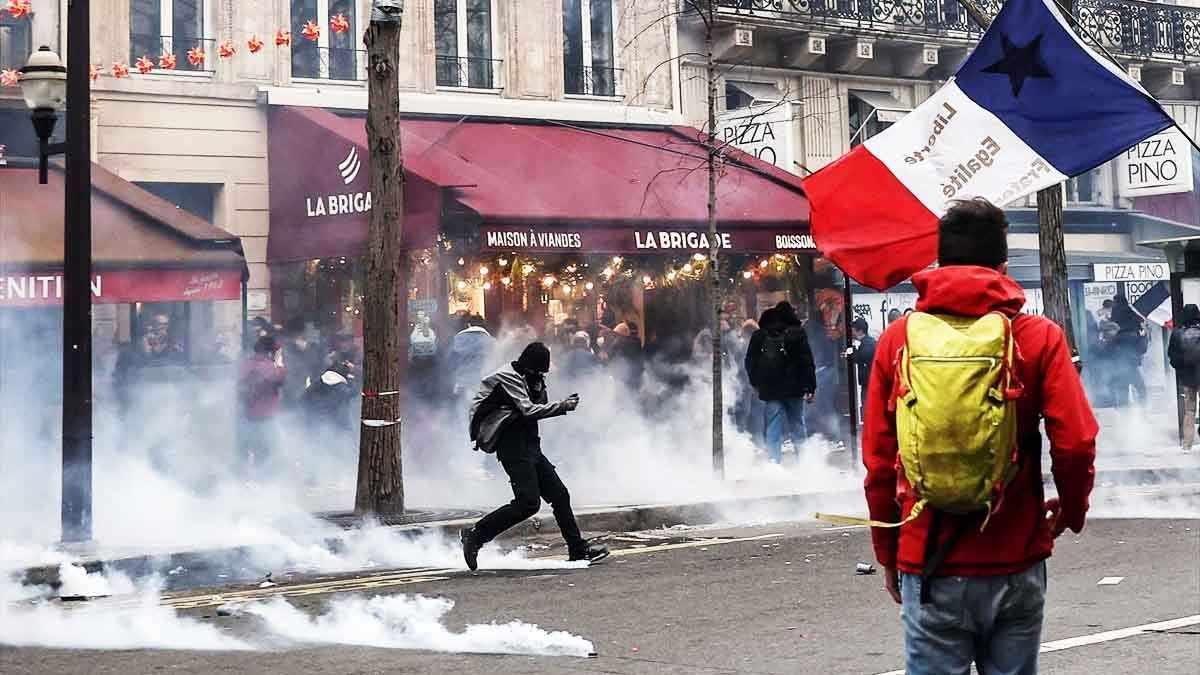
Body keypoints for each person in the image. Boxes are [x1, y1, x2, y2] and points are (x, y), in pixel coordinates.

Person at [862, 199, 1097, 675]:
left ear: (939, 264)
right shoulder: (1039, 337)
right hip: (1016, 556)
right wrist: (1070, 510)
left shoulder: (898, 340)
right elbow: (1074, 443)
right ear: (1003, 267)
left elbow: (880, 463)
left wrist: (890, 553)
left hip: (928, 560)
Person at [460, 342, 609, 569]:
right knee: (528, 503)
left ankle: (578, 550)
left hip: (530, 444)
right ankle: (475, 535)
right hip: (512, 445)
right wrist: (563, 406)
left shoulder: (530, 377)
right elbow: (528, 410)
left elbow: (539, 404)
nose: (540, 375)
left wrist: (540, 386)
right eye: (538, 371)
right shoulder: (507, 377)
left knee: (559, 495)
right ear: (529, 366)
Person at [745, 302, 816, 463]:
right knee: (797, 424)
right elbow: (807, 362)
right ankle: (804, 463)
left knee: (772, 427)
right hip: (795, 389)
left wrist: (756, 383)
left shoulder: (760, 335)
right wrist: (810, 386)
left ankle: (774, 464)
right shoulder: (798, 333)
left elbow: (750, 362)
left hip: (771, 390)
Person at [238, 335, 288, 474]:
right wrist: (279, 362)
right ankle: (262, 480)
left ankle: (247, 479)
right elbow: (280, 378)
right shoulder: (267, 365)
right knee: (268, 450)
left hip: (247, 414)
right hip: (265, 415)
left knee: (250, 450)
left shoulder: (246, 364)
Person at [1168, 304, 1200, 451]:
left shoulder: (1176, 334)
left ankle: (1187, 444)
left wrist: (1181, 368)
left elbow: (1172, 356)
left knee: (1189, 410)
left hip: (1187, 377)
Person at [1110, 295, 1148, 406]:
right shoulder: (1132, 317)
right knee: (1141, 389)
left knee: (1122, 391)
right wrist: (1143, 336)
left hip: (1119, 364)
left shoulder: (1114, 318)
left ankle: (1124, 416)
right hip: (1131, 364)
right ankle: (1143, 412)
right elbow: (1142, 348)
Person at [448, 315, 496, 399]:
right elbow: (497, 361)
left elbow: (450, 361)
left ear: (469, 324)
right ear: (483, 325)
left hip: (462, 383)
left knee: (463, 408)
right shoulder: (491, 341)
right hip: (482, 383)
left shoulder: (456, 339)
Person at [850, 317, 876, 410]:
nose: (852, 333)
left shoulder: (868, 344)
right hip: (869, 383)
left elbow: (861, 358)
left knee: (868, 408)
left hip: (870, 384)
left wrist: (852, 350)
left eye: (853, 330)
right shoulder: (866, 343)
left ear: (860, 331)